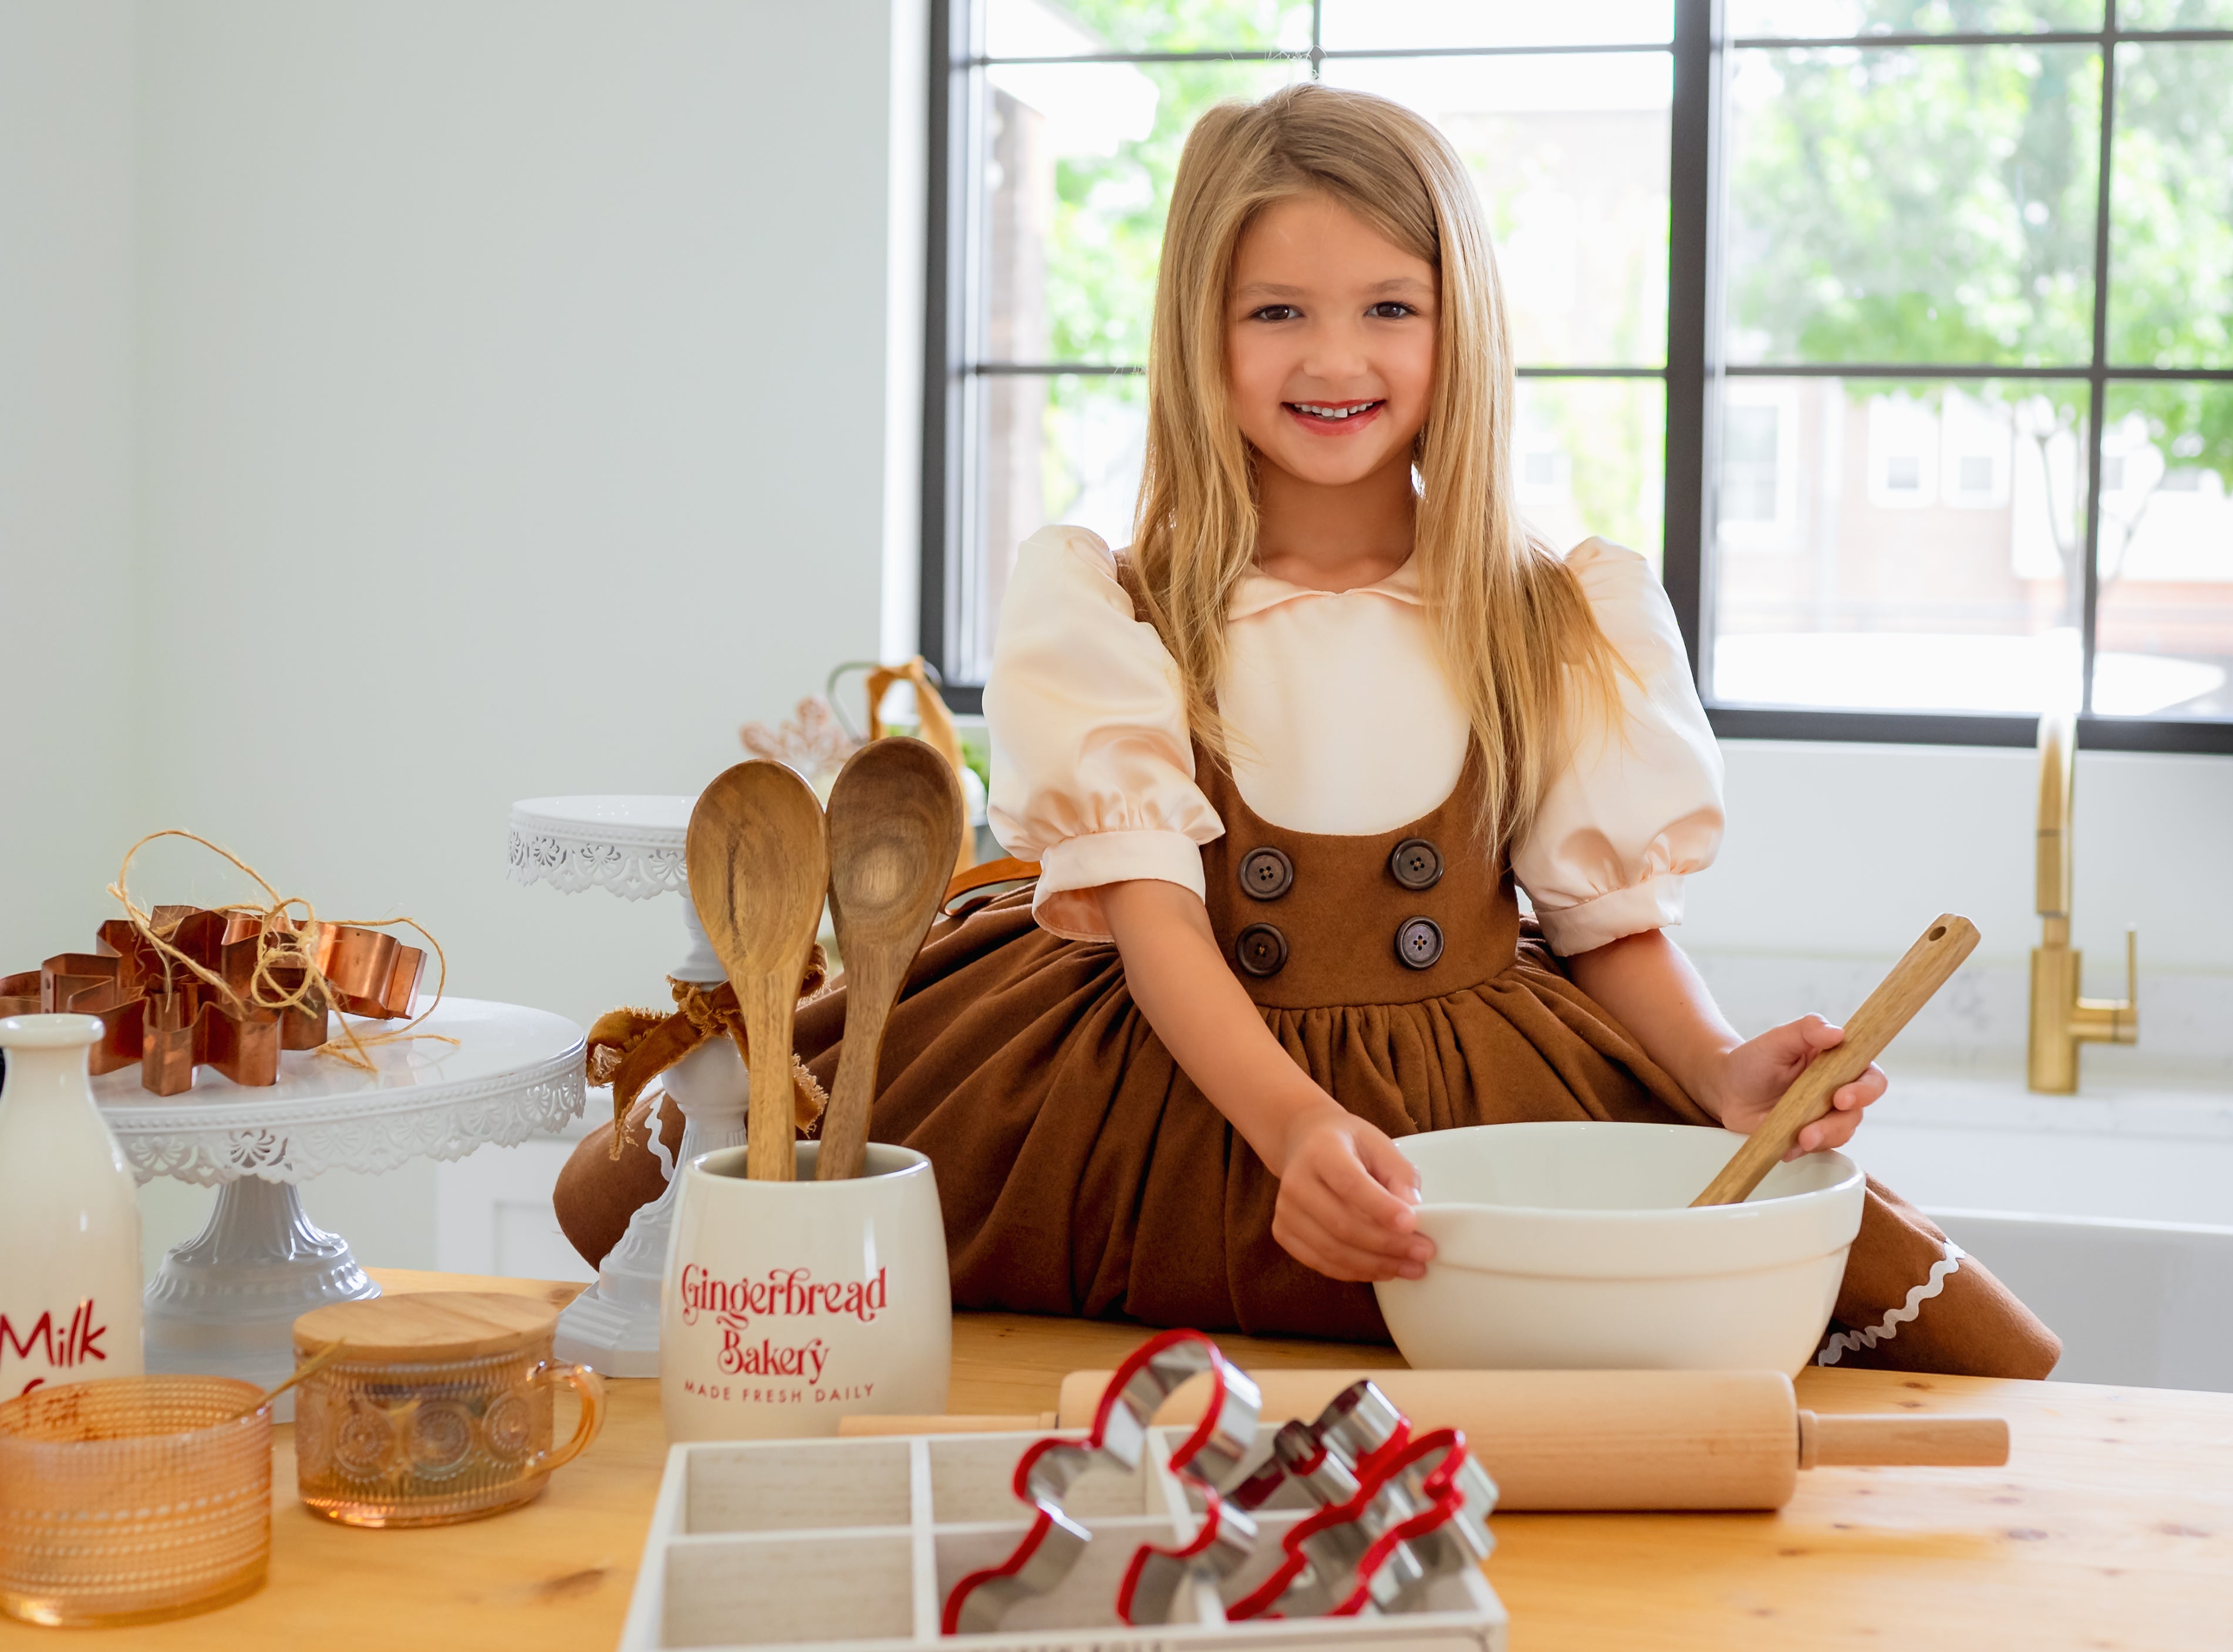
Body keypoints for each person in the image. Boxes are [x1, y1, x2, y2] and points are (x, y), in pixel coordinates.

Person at [561, 84, 2056, 1377]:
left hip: (1477, 1083)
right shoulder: (1115, 605)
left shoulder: (1555, 614)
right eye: (1278, 311)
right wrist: (1289, 1127)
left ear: (1456, 324)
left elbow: (1607, 927)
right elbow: (1156, 921)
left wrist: (1727, 1069)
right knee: (819, 1261)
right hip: (1151, 1080)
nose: (1334, 359)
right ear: (1199, 333)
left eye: (1388, 309)